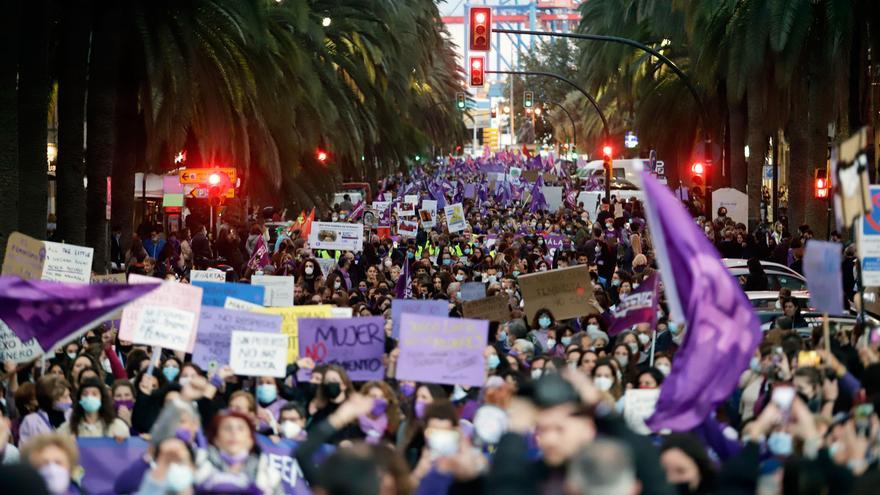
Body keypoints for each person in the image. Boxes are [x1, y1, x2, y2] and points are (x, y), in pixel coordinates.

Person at [57, 378, 129, 439]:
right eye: (85, 394)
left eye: (94, 394)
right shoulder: (67, 429)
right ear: (80, 399)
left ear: (102, 398)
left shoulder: (117, 427)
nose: (89, 397)